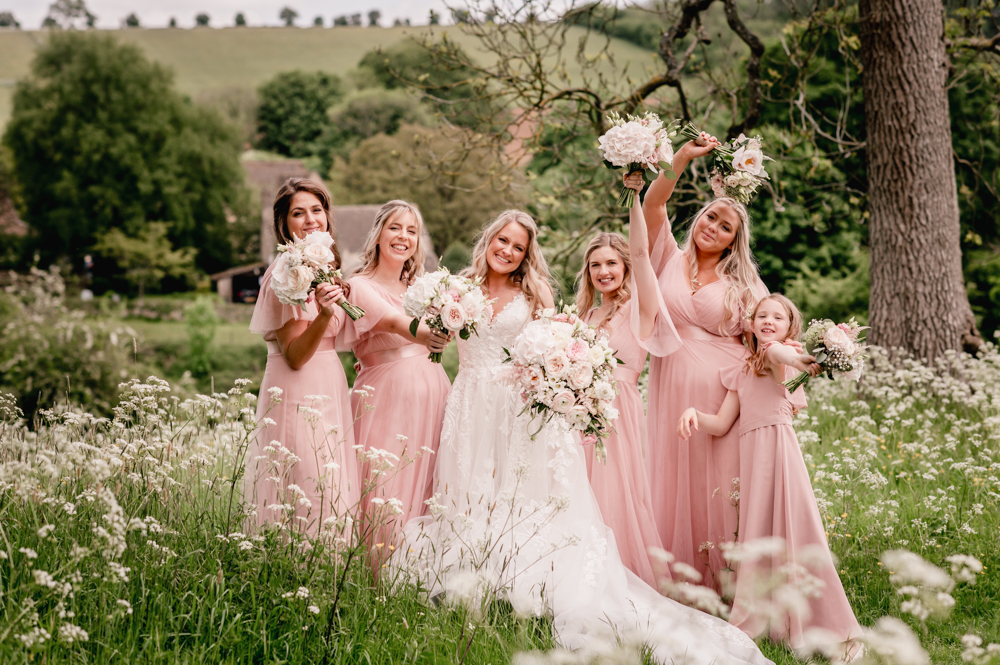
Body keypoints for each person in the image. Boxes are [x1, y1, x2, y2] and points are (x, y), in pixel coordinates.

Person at [397, 210, 774, 665]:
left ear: (526, 255)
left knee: (557, 496)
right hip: (471, 400)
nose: (508, 251)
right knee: (473, 488)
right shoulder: (459, 288)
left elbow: (547, 339)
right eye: (503, 241)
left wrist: (637, 195)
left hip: (528, 404)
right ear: (489, 238)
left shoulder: (544, 295)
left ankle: (545, 582)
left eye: (518, 246)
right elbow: (432, 328)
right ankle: (477, 575)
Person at [677, 294, 862, 658]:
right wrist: (693, 412)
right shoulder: (742, 369)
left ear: (789, 326)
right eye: (762, 315)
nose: (768, 321)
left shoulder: (783, 355)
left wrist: (798, 358)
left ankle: (839, 632)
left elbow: (782, 355)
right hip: (753, 460)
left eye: (777, 317)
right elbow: (720, 424)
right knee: (759, 535)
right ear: (750, 322)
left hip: (779, 451)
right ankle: (771, 620)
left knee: (798, 531)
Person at [642, 133, 768, 590]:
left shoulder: (743, 283)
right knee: (672, 477)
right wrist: (681, 158)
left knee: (717, 483)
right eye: (710, 216)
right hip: (670, 384)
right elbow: (654, 205)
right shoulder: (667, 258)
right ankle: (676, 578)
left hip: (720, 396)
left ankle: (725, 583)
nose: (713, 226)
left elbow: (767, 336)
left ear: (735, 241)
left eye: (725, 226)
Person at [575, 173, 681, 586]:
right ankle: (583, 577)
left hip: (617, 408)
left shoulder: (640, 306)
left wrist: (634, 197)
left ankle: (622, 577)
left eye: (611, 263)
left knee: (614, 492)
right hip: (578, 412)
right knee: (580, 491)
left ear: (624, 267)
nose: (604, 271)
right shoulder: (585, 315)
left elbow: (642, 253)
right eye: (596, 265)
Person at [245, 177, 359, 534]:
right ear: (284, 224)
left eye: (317, 210)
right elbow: (294, 355)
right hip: (296, 386)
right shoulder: (283, 274)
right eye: (299, 213)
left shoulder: (327, 268)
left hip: (330, 382)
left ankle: (328, 575)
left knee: (329, 484)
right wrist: (325, 314)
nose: (311, 219)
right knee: (301, 483)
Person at [342, 200, 451, 553]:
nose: (403, 236)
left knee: (431, 483)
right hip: (385, 395)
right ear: (377, 235)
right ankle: (376, 578)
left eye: (412, 230)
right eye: (394, 227)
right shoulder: (358, 286)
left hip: (434, 391)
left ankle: (419, 574)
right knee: (384, 485)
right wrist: (427, 333)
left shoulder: (423, 288)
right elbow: (391, 322)